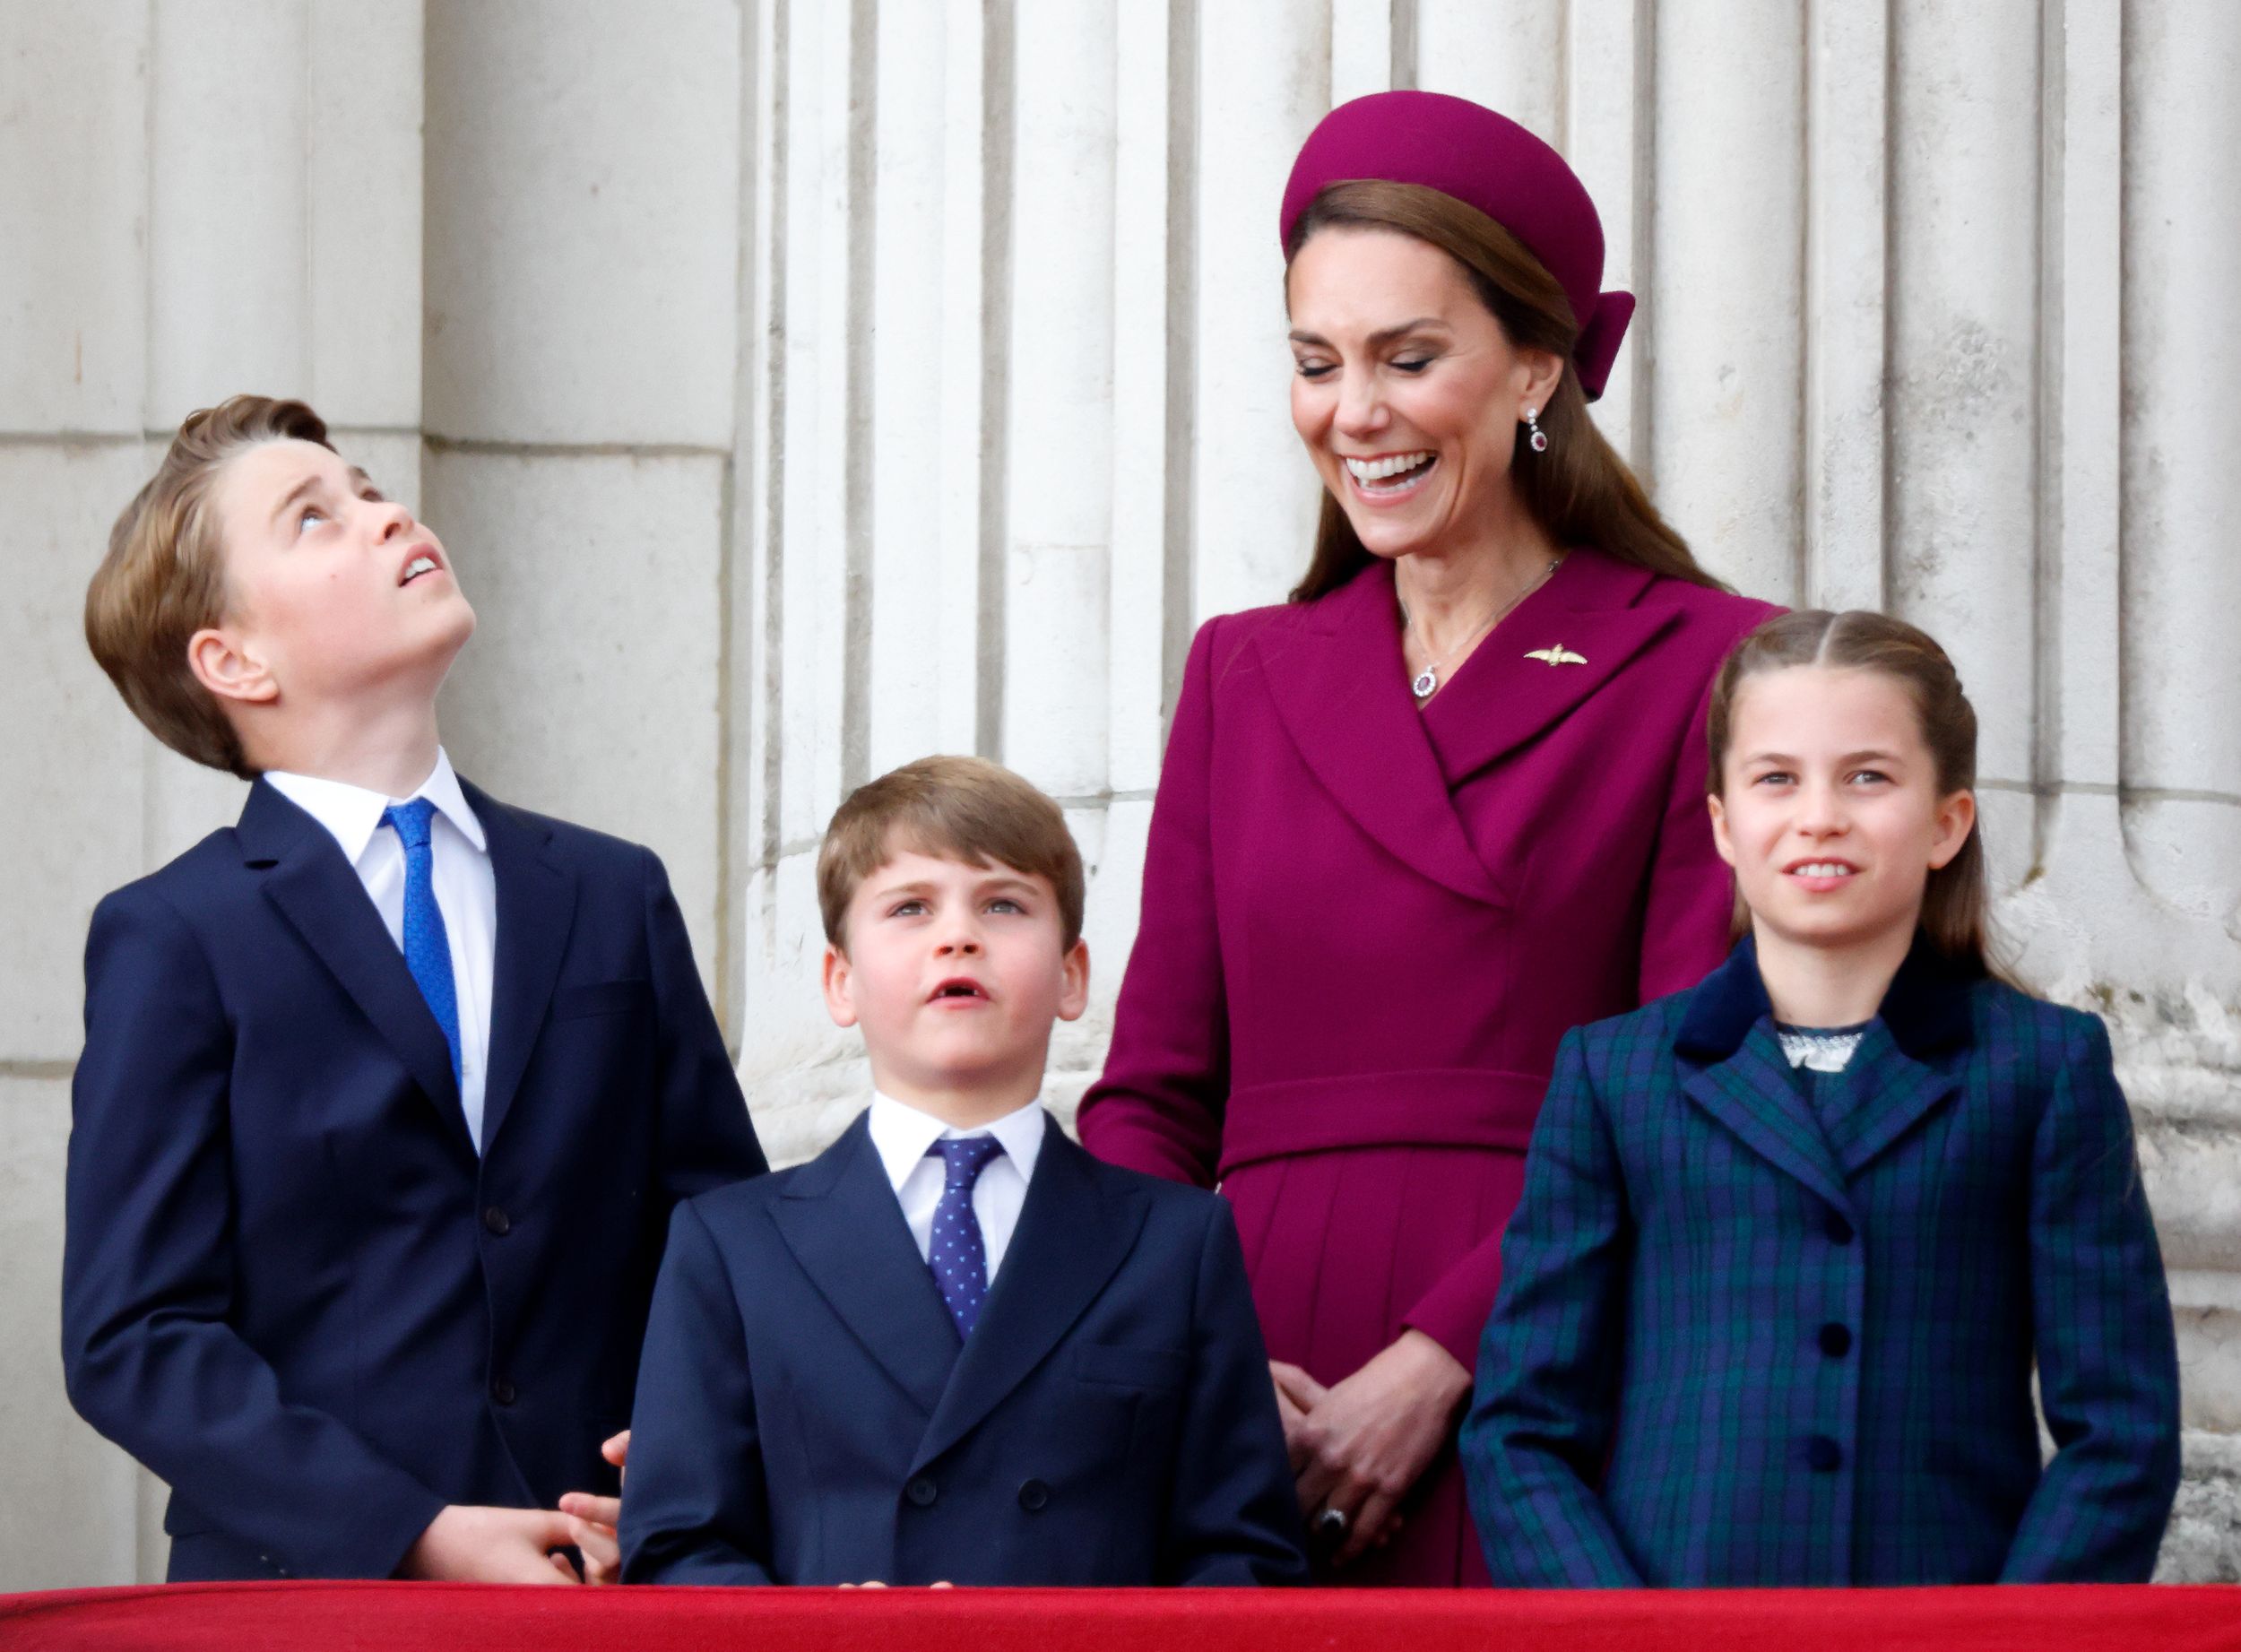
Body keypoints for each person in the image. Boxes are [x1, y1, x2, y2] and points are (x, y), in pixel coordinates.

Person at [1076, 91, 1779, 1585]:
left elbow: (1689, 1087)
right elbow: (1148, 1098)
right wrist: (1196, 1355)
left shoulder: (1710, 664)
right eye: (1317, 363)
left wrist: (1447, 1356)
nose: (1355, 411)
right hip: (1240, 1394)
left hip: (1553, 1353)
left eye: (1409, 358)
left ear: (1538, 365)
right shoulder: (1241, 672)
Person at [64, 396, 767, 1584]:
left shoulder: (611, 890)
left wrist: (696, 1440)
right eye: (314, 517)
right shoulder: (176, 935)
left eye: (371, 487)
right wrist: (413, 1528)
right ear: (233, 657)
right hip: (306, 1598)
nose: (384, 513)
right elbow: (135, 1334)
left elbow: (721, 1236)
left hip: (608, 1581)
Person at [1461, 609, 2183, 1586]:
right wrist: (1619, 1639)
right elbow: (1520, 1431)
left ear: (1945, 823)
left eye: (1867, 776)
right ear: (1722, 823)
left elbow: (2120, 1434)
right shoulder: (1613, 1074)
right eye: (1775, 778)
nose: (1818, 816)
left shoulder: (2040, 1068)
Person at [618, 757, 1306, 1587]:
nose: (958, 935)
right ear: (841, 981)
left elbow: (1242, 1556)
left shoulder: (1177, 1241)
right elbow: (677, 1549)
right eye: (910, 907)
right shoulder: (732, 1245)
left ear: (1071, 975)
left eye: (1004, 904)